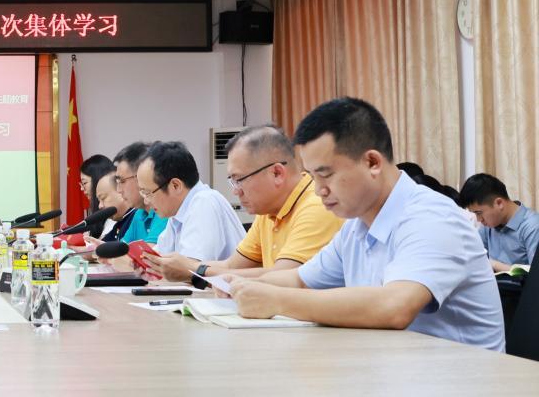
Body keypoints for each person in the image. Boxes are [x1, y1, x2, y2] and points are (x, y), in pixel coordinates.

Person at [224, 98, 504, 351]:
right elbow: (299, 279)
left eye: (326, 175)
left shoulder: (432, 218)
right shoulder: (356, 226)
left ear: (372, 162)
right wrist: (237, 285)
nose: (318, 190)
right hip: (392, 370)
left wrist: (276, 300)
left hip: (458, 379)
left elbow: (395, 306)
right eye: (313, 176)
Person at [149, 126, 343, 282]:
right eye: (232, 181)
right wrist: (180, 266)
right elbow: (231, 266)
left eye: (239, 179)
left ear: (276, 173)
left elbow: (282, 277)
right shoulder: (268, 212)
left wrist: (193, 270)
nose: (235, 191)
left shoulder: (316, 206)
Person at [136, 141, 245, 278]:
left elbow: (188, 272)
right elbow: (159, 261)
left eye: (148, 193)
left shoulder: (204, 203)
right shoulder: (177, 213)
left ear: (175, 186)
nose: (146, 201)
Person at [459, 173, 539, 273]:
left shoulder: (533, 226)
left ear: (499, 203)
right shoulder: (489, 225)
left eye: (479, 213)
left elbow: (535, 274)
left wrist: (493, 264)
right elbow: (474, 257)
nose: (479, 220)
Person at [111, 142, 168, 245]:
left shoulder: (164, 209)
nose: (119, 190)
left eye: (122, 181)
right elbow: (123, 248)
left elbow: (150, 253)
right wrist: (97, 249)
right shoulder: (139, 213)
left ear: (141, 176)